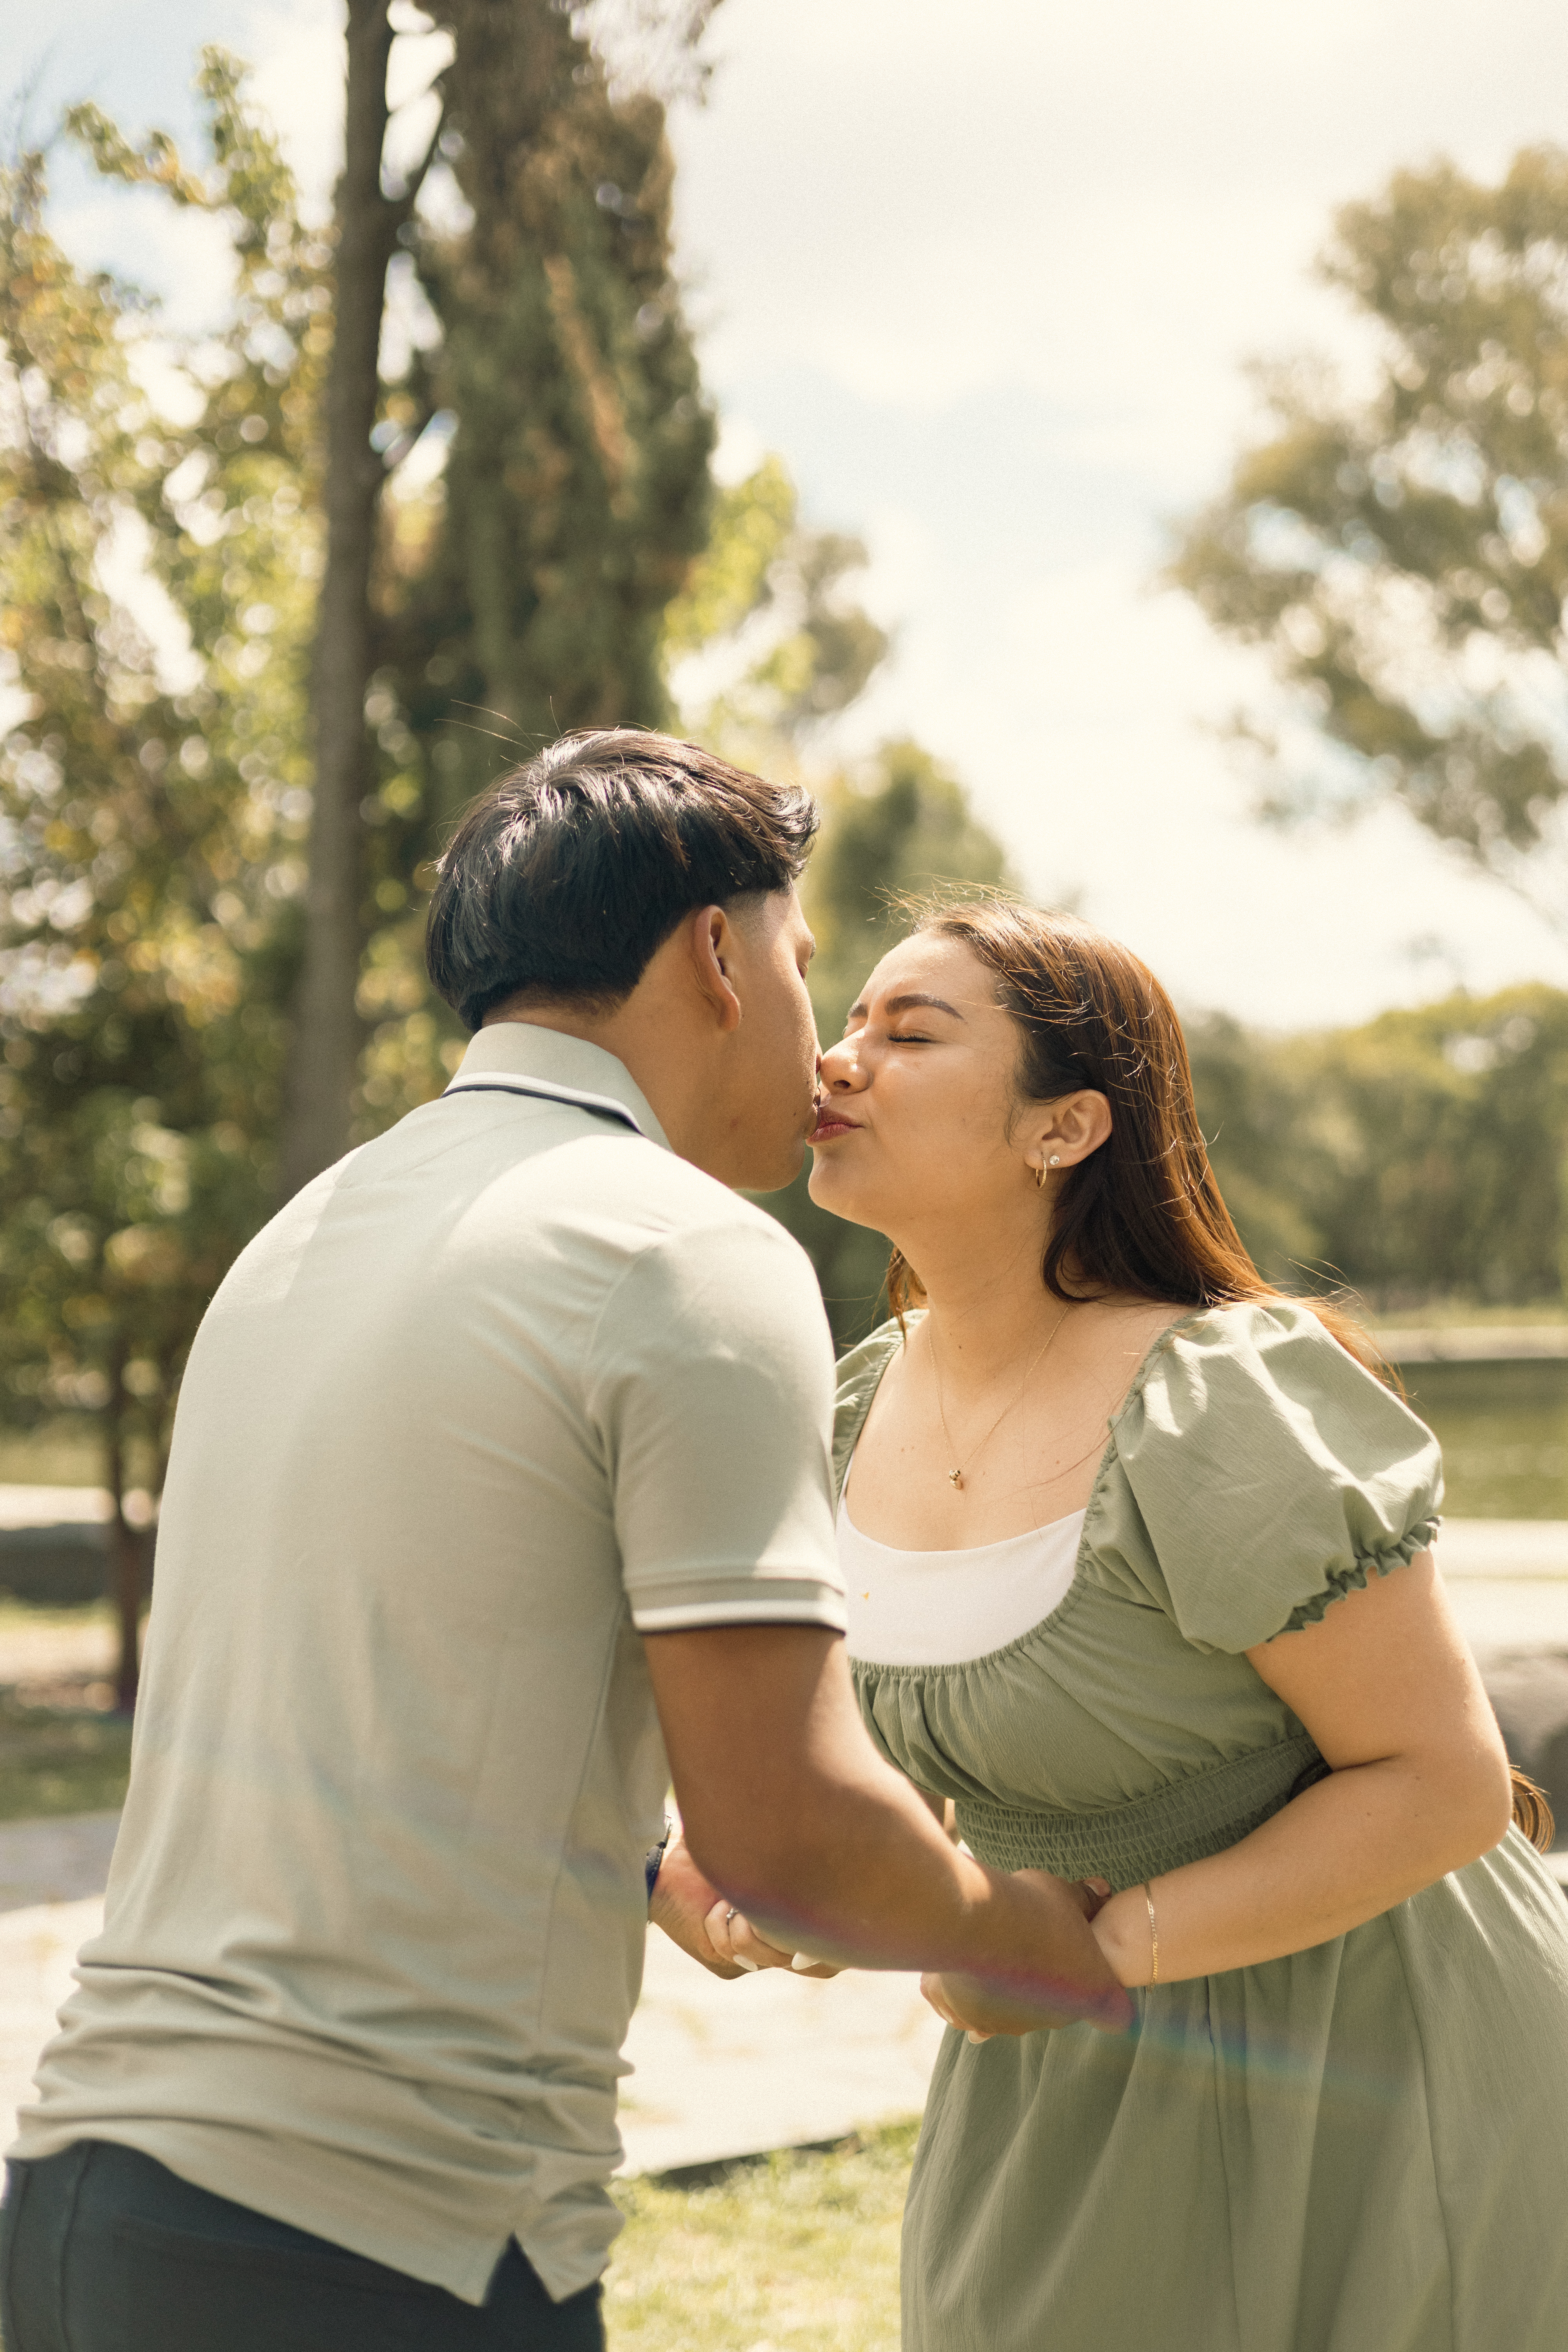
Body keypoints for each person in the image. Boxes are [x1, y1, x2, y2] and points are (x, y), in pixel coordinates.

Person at [0, 744, 1126, 2352]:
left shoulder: (308, 1235)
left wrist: (629, 1860)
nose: (824, 1049)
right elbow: (791, 1834)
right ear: (715, 958)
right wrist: (1024, 1938)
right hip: (375, 2245)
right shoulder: (677, 1250)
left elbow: (387, 1685)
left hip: (86, 2203)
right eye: (810, 974)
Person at [711, 898, 1568, 2352]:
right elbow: (915, 1769)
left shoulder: (1219, 1399)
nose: (840, 1060)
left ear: (1067, 1129)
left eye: (910, 1032)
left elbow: (1446, 1782)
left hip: (1385, 2044)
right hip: (1058, 2058)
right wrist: (791, 1891)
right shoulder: (855, 1401)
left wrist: (1093, 1955)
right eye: (849, 1020)